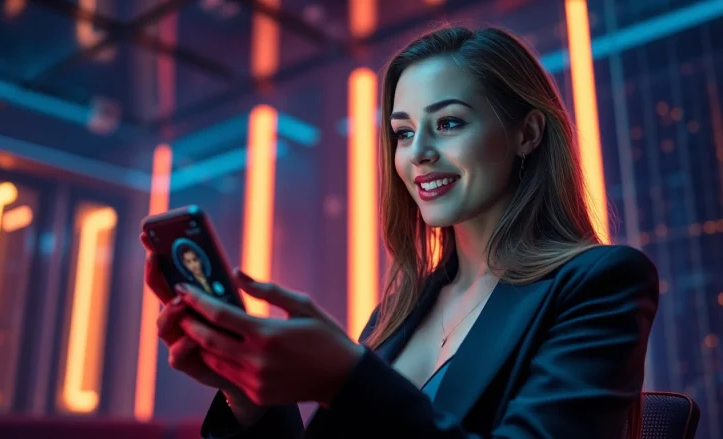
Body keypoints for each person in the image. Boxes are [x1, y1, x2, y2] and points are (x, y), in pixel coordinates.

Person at [141, 25, 659, 438]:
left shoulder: (601, 282)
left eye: (450, 123)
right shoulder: (399, 311)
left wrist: (345, 380)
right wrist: (249, 402)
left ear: (526, 133)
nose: (418, 153)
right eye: (404, 132)